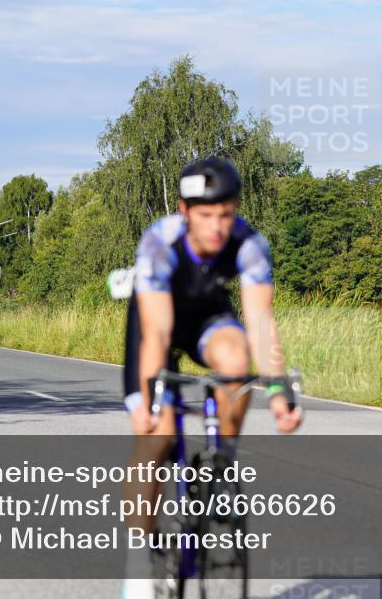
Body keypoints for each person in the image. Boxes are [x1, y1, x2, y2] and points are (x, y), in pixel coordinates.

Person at [120, 157, 303, 596]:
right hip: (156, 324)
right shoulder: (159, 243)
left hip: (207, 317)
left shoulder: (249, 244)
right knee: (157, 439)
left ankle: (221, 458)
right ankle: (137, 562)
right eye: (206, 215)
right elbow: (158, 332)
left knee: (237, 363)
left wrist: (278, 393)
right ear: (184, 212)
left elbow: (260, 323)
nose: (217, 226)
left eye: (226, 214)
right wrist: (148, 399)